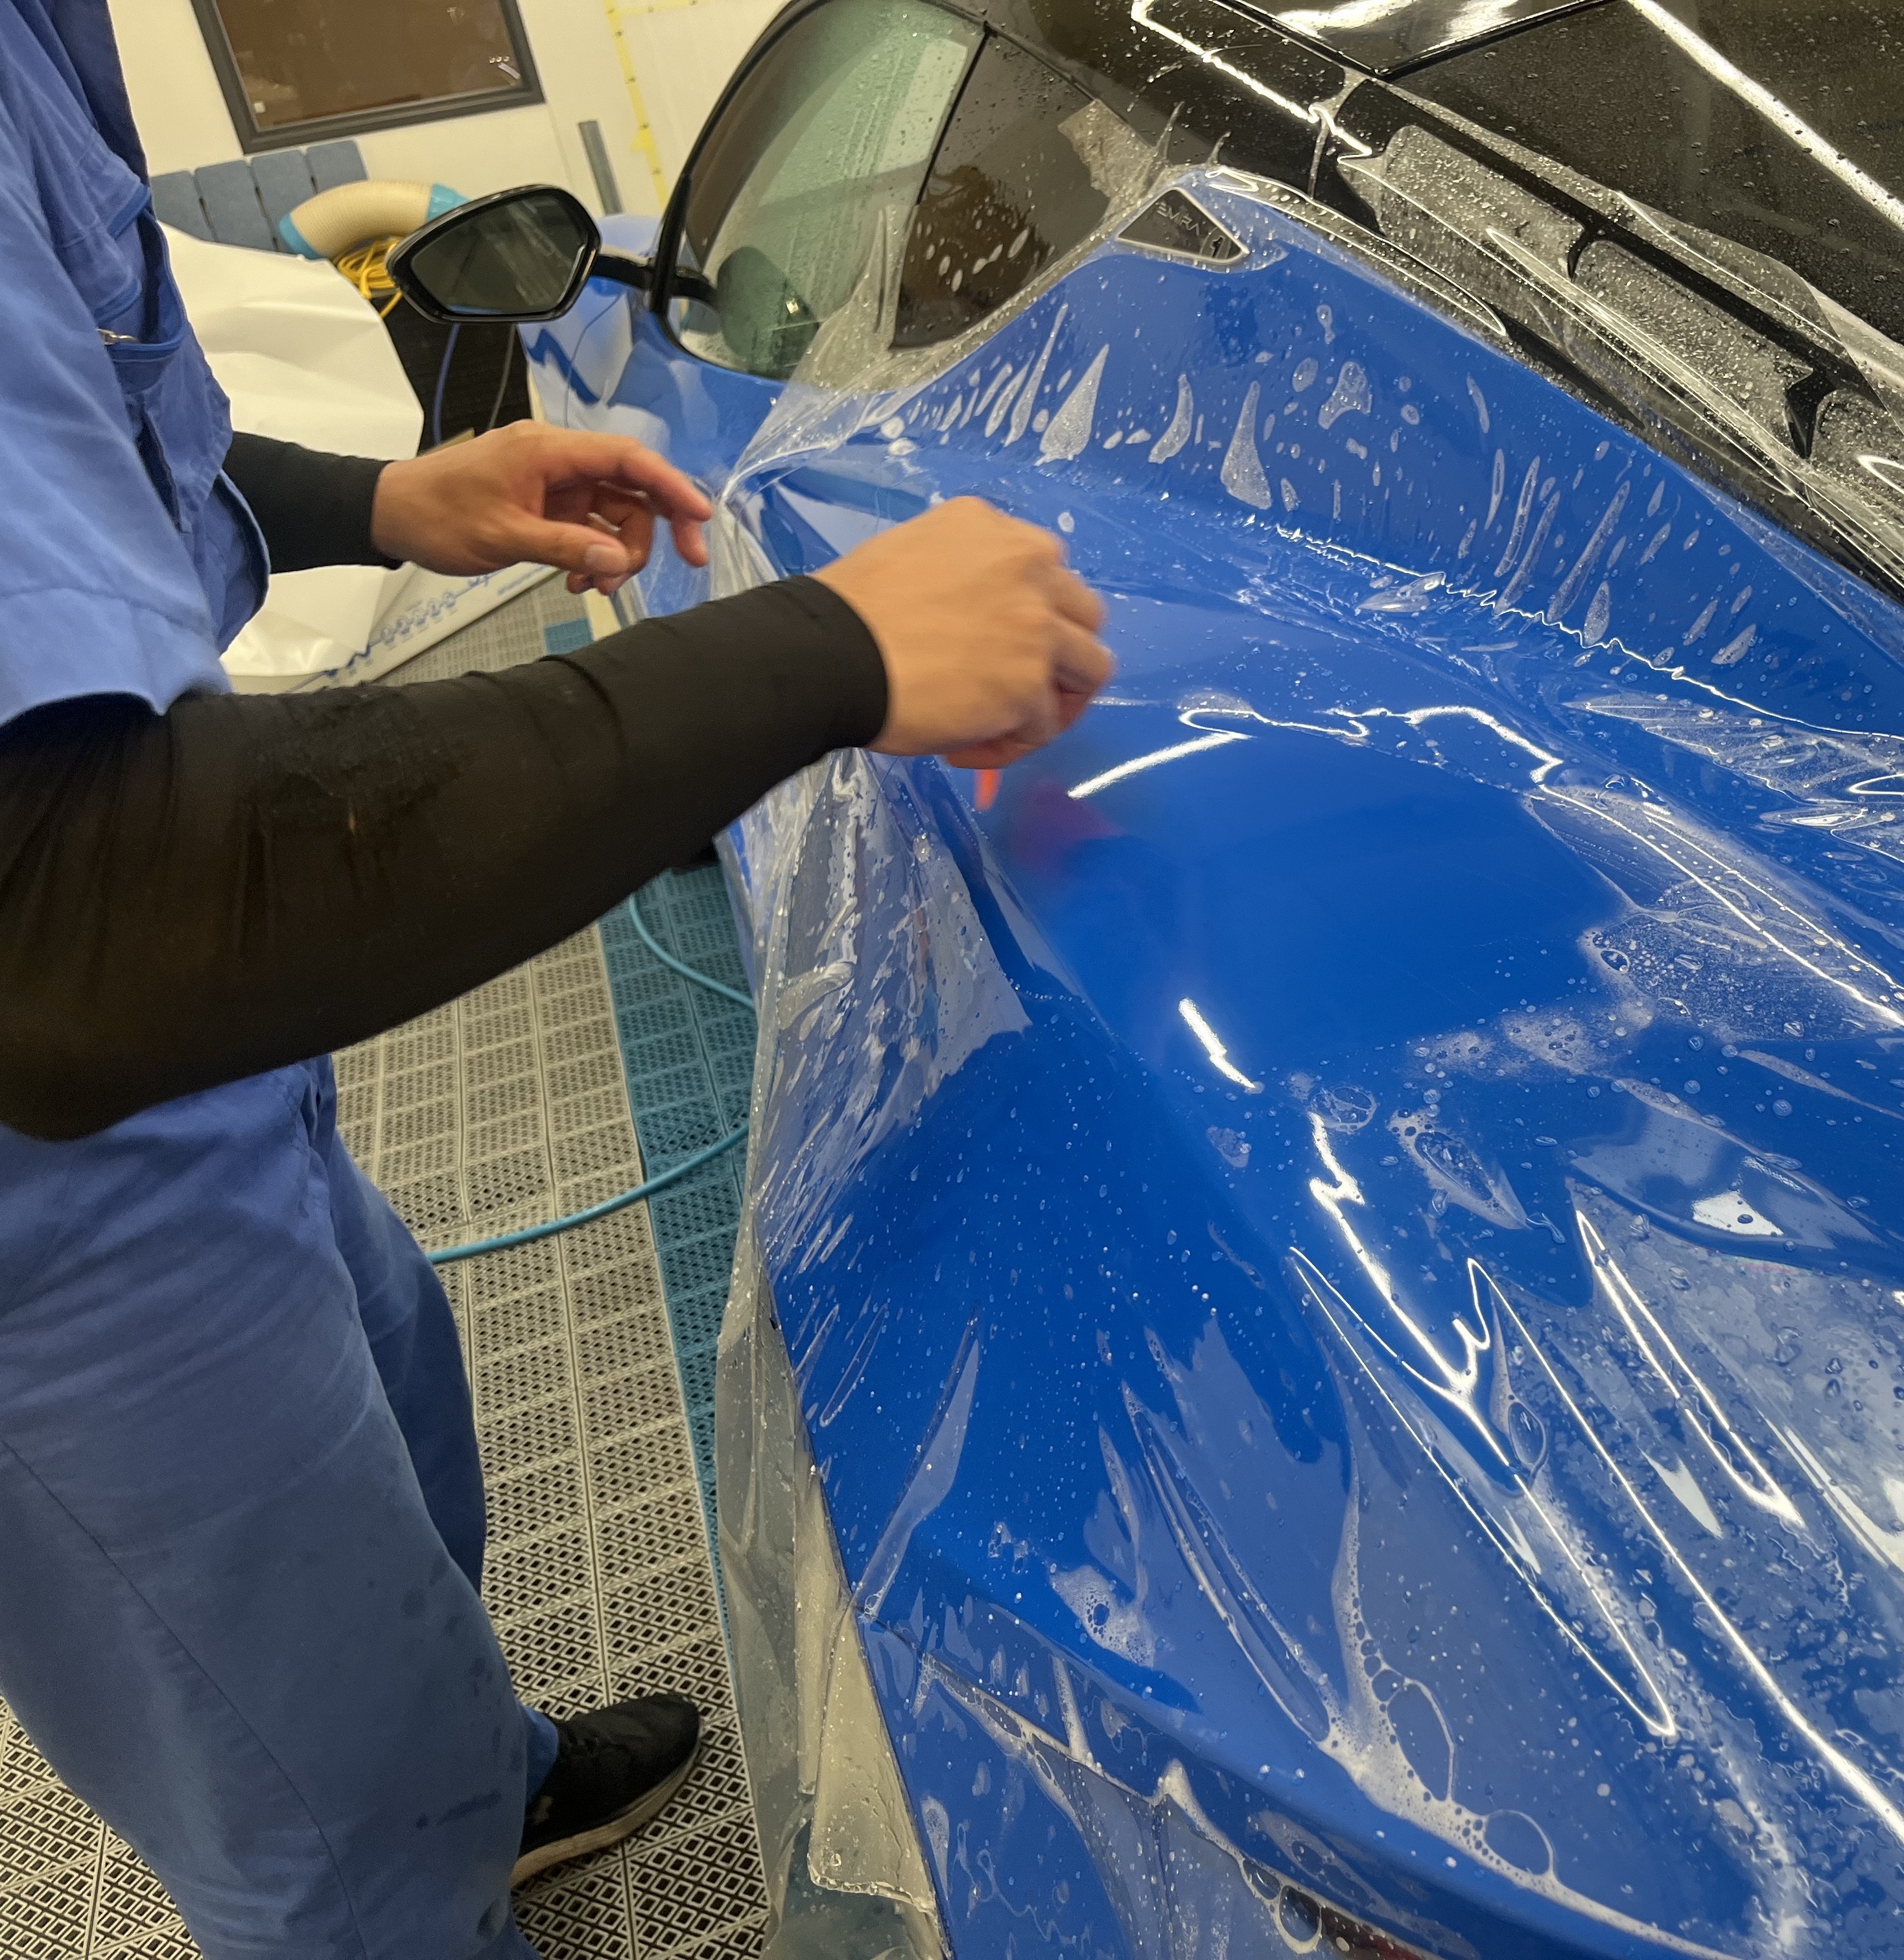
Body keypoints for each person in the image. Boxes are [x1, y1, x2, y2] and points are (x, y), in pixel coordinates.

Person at [0, 3, 1112, 1955]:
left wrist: (377, 504)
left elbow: (92, 442)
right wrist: (824, 655)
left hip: (195, 1042)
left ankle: (475, 1788)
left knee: (390, 1413)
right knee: (299, 1783)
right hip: (61, 1118)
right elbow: (71, 915)